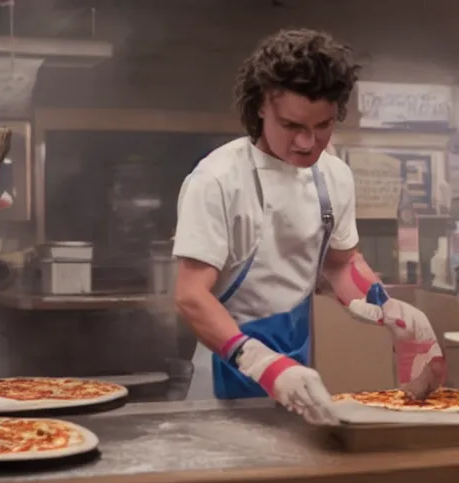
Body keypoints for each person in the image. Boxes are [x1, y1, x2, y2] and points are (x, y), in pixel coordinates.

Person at [173, 28, 446, 425]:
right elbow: (190, 296)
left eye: (323, 126)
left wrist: (392, 312)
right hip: (226, 371)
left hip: (297, 367)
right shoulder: (217, 179)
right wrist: (264, 364)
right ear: (261, 106)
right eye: (292, 125)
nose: (307, 142)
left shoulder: (333, 177)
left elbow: (338, 264)